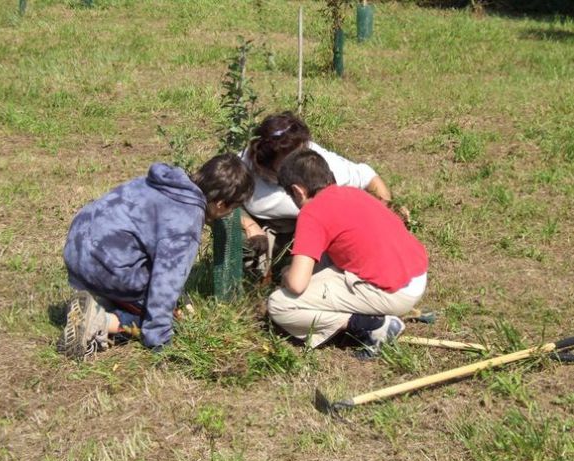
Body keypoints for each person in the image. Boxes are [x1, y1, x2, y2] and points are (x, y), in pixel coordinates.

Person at [58, 153, 254, 360]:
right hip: (104, 267)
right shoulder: (186, 220)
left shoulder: (166, 183)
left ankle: (106, 301)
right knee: (175, 319)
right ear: (221, 204)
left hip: (77, 247)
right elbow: (165, 285)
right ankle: (102, 321)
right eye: (232, 209)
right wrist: (160, 339)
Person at [267, 149, 428, 357]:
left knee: (280, 304)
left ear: (298, 191)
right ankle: (370, 313)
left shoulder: (313, 212)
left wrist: (287, 274)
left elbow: (297, 284)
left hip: (394, 293)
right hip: (415, 276)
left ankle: (372, 325)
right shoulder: (353, 192)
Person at [239, 111, 409, 274]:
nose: (299, 161)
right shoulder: (245, 166)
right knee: (239, 240)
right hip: (266, 227)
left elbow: (367, 176)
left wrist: (386, 214)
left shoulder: (322, 166)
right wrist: (249, 225)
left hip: (313, 228)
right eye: (289, 161)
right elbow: (215, 198)